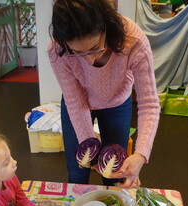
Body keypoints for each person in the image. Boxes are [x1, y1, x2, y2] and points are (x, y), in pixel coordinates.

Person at [49, 0, 160, 188]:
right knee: (78, 173)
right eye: (78, 52)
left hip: (117, 101)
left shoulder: (133, 41)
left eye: (95, 48)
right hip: (79, 103)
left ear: (106, 27)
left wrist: (141, 154)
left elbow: (149, 103)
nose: (90, 59)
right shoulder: (57, 50)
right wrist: (89, 151)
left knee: (115, 174)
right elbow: (76, 103)